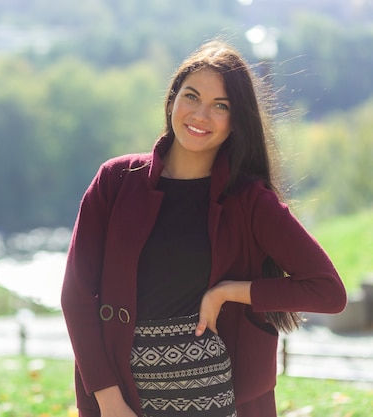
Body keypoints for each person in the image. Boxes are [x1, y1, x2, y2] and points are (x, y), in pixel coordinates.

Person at [61, 39, 347, 417]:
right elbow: (76, 295)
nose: (201, 115)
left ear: (236, 121)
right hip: (122, 401)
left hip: (220, 401)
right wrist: (109, 400)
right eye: (191, 96)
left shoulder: (250, 201)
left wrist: (231, 292)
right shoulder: (115, 181)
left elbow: (328, 292)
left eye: (221, 106)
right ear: (172, 100)